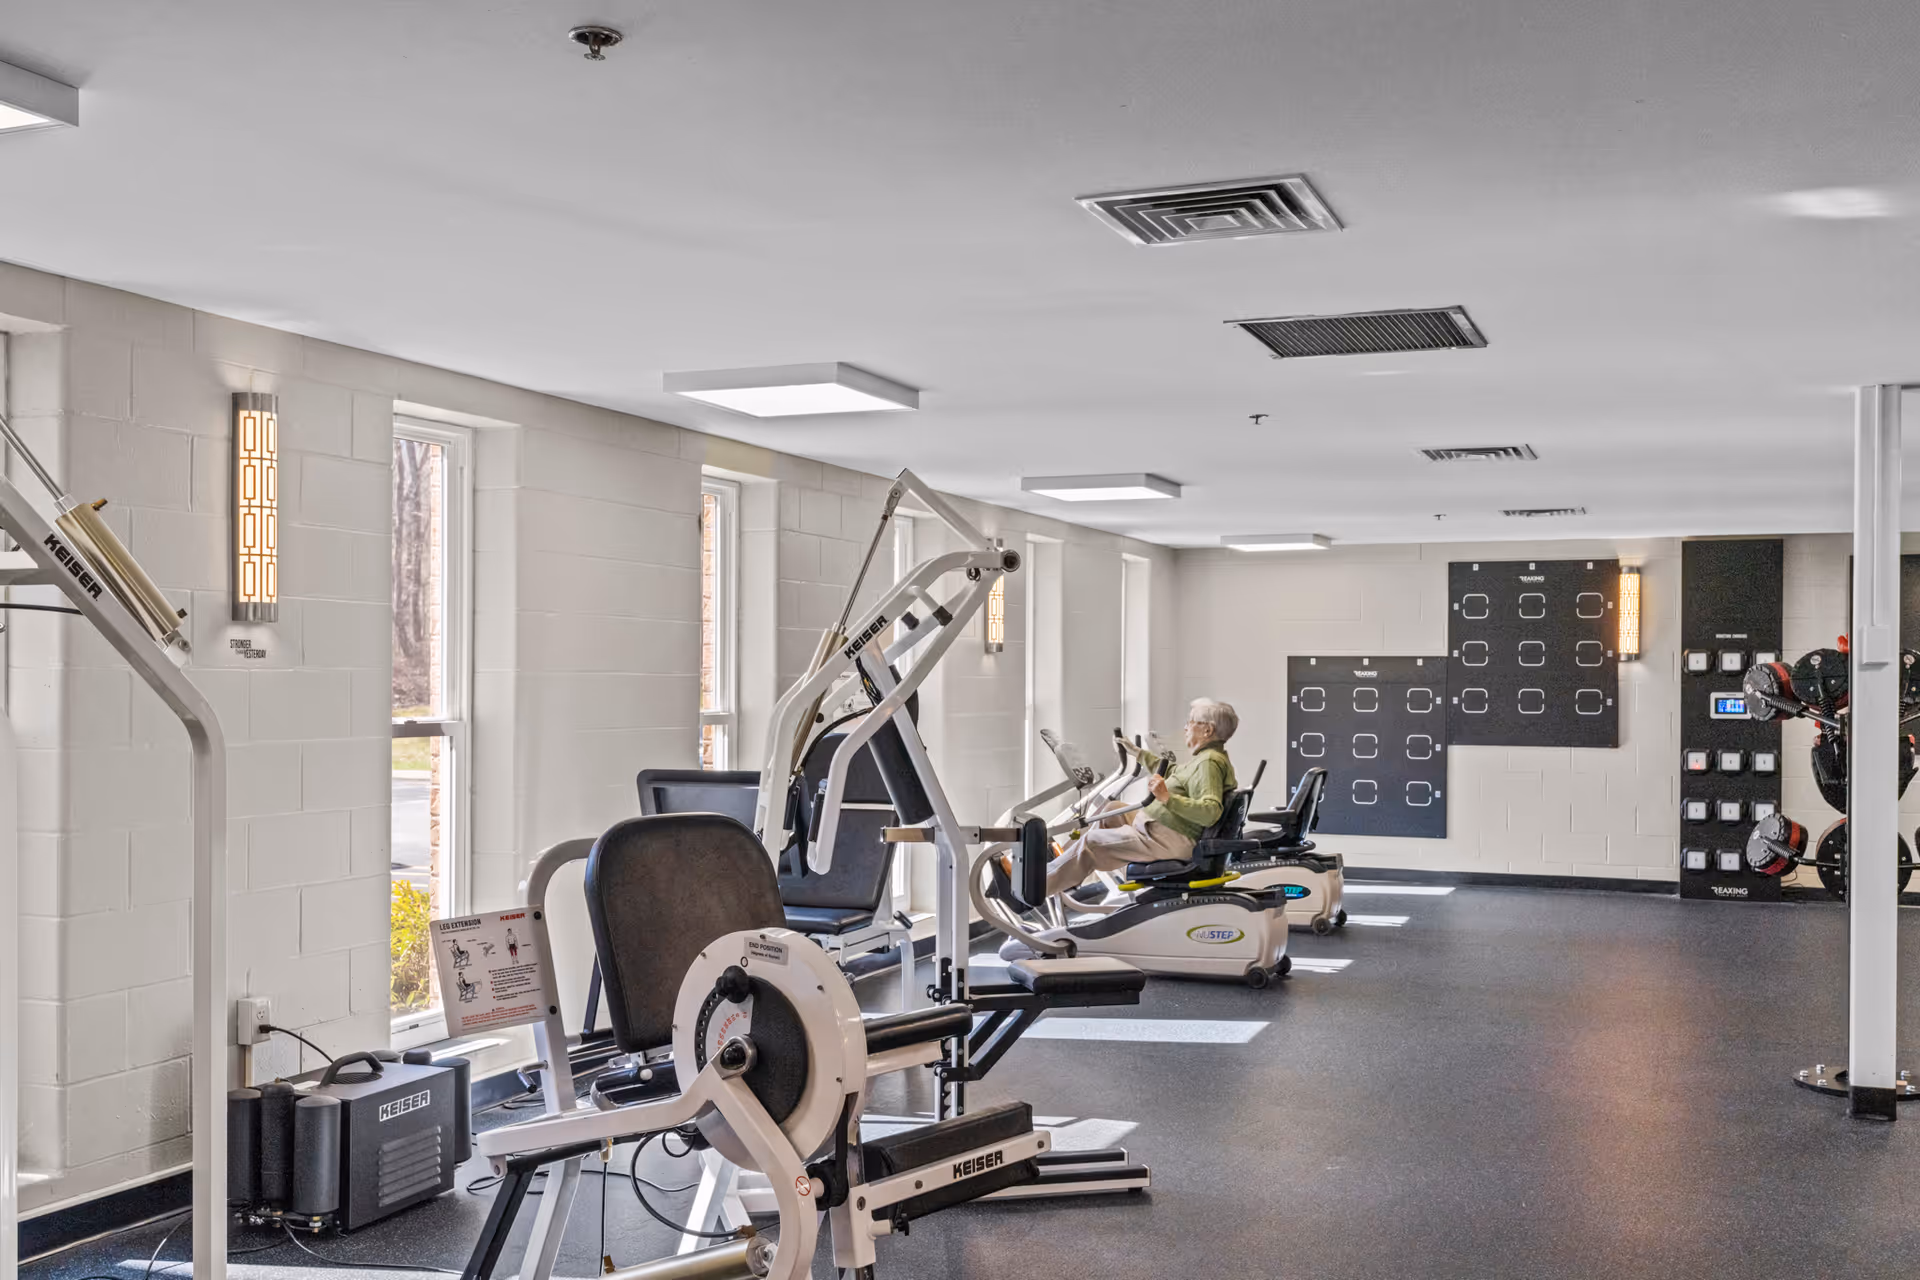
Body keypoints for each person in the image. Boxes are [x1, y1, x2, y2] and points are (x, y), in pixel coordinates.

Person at [1040, 698, 1240, 896]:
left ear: (1208, 730)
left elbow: (1210, 812)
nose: (1186, 727)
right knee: (1111, 810)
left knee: (1091, 842)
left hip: (1171, 839)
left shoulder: (1209, 763)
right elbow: (1173, 771)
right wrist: (1138, 753)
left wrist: (1167, 798)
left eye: (1191, 722)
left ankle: (1038, 886)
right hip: (1164, 828)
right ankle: (1064, 867)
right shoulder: (1207, 758)